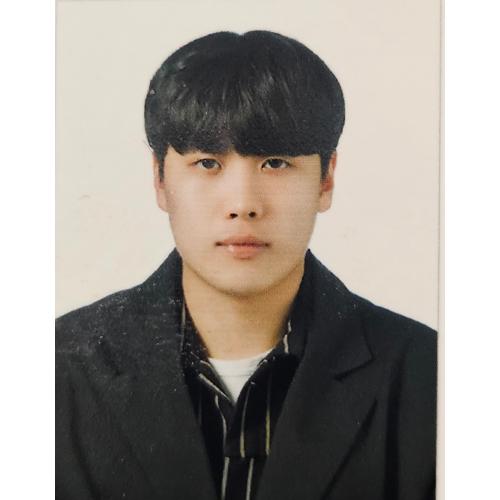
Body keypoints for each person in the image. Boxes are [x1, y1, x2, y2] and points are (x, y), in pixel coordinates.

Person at [56, 31, 437, 500]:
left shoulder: (433, 375)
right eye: (208, 164)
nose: (242, 204)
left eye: (275, 163)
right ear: (159, 179)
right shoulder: (54, 367)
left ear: (326, 180)